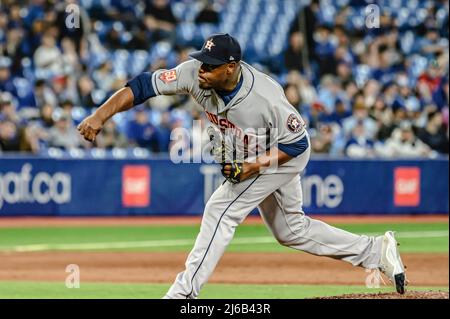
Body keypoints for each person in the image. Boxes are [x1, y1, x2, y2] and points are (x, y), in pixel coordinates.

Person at [77, 33, 407, 299]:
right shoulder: (195, 73)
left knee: (221, 209)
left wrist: (252, 166)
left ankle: (183, 294)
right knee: (291, 230)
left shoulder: (264, 96)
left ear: (232, 67)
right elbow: (143, 86)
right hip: (249, 150)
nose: (202, 69)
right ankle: (376, 251)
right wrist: (99, 115)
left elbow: (297, 143)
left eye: (211, 65)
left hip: (281, 153)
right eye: (202, 61)